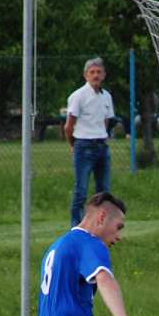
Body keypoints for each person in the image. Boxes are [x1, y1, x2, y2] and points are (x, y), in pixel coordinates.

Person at [65, 58, 115, 227]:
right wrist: (73, 144)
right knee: (81, 191)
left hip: (101, 145)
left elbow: (107, 120)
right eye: (92, 72)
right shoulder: (78, 96)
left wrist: (103, 135)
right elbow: (69, 125)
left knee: (104, 190)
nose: (95, 75)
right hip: (84, 146)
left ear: (104, 75)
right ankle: (76, 226)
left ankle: (101, 224)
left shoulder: (106, 96)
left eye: (98, 72)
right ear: (86, 75)